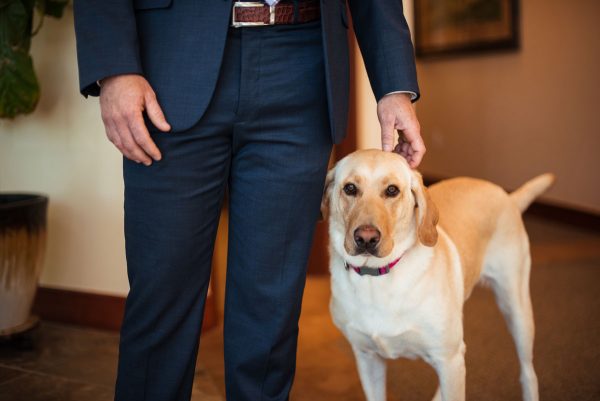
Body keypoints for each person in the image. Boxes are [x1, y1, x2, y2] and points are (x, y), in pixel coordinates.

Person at [74, 1, 424, 400]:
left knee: (270, 310)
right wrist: (114, 66)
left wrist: (394, 86)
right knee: (161, 297)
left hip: (301, 63)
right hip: (170, 65)